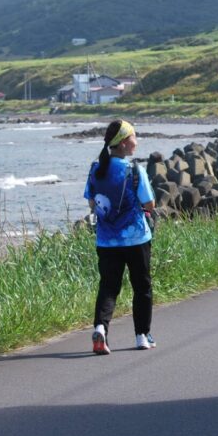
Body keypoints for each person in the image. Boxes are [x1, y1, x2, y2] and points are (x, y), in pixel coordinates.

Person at [84, 119, 156, 354]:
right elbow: (149, 203)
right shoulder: (135, 170)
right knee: (141, 287)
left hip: (106, 241)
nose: (136, 142)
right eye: (134, 137)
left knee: (108, 287)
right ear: (124, 143)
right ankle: (142, 335)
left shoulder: (96, 170)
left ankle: (101, 330)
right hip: (136, 240)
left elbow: (93, 203)